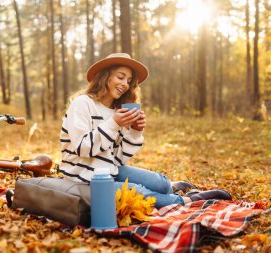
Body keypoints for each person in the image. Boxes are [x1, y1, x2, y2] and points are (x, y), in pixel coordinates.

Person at [59, 53, 231, 209]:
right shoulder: (82, 103)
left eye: (129, 81)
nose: (125, 84)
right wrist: (114, 123)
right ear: (106, 76)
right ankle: (188, 200)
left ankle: (169, 187)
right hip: (84, 179)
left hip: (109, 170)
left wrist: (135, 131)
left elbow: (118, 160)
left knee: (160, 183)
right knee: (137, 191)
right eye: (121, 77)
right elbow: (82, 147)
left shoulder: (116, 111)